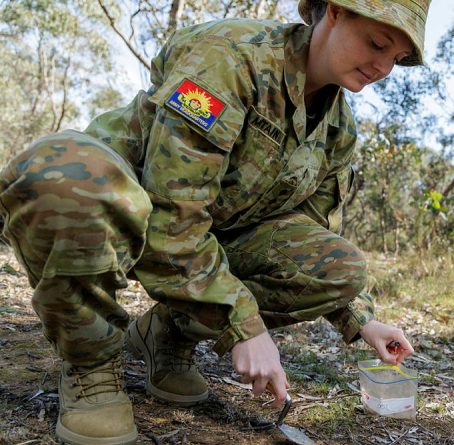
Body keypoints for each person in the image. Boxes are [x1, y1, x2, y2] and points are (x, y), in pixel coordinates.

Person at [0, 0, 430, 443]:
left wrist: (361, 320)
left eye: (396, 59)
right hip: (124, 211)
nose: (383, 67)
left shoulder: (337, 131)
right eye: (377, 43)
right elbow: (173, 211)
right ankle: (90, 367)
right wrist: (244, 325)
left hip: (202, 240)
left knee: (340, 268)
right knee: (61, 175)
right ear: (335, 12)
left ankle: (165, 335)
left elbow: (304, 235)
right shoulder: (230, 57)